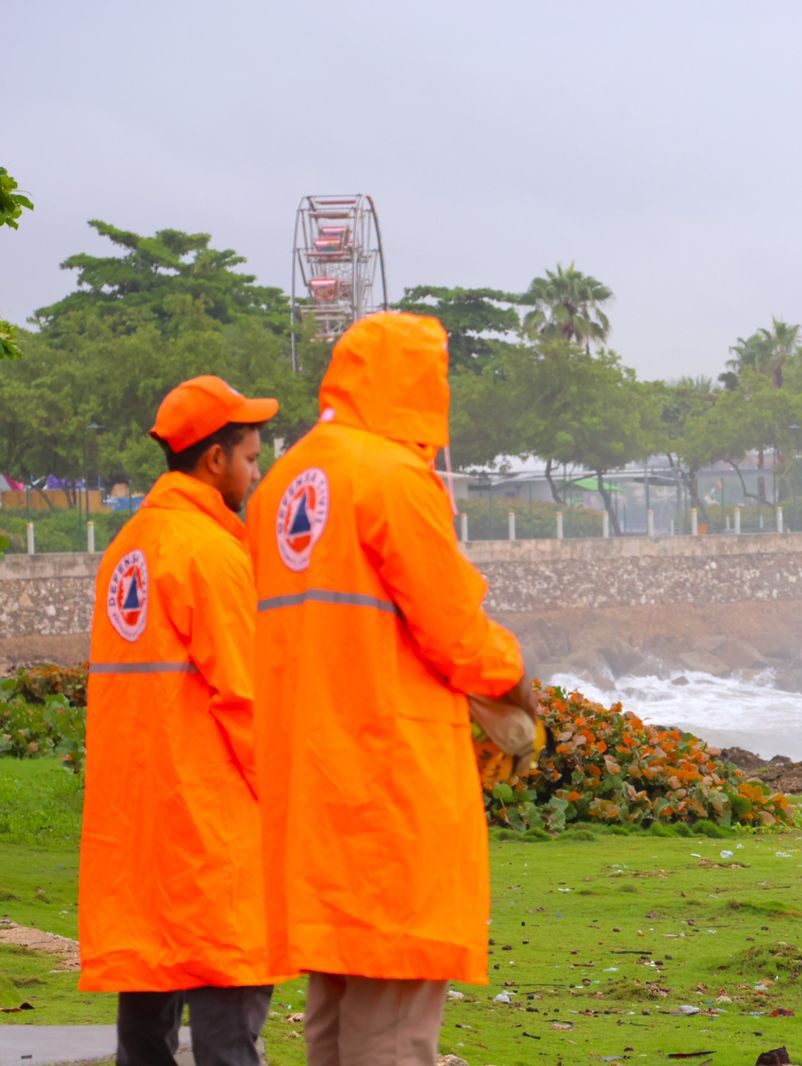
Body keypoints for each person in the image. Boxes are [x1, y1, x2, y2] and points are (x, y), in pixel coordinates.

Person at [246, 311, 530, 1066]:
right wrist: (517, 682)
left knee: (332, 1022)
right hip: (388, 789)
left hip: (312, 790)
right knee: (393, 1029)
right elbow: (456, 633)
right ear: (419, 381)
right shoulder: (392, 476)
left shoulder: (280, 484)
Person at [80, 375, 282, 1066]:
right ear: (215, 460)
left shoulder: (127, 550)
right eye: (252, 458)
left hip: (139, 842)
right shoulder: (209, 553)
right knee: (228, 1040)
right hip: (211, 841)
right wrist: (291, 805)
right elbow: (248, 698)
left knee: (144, 1042)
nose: (258, 472)